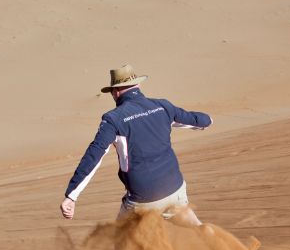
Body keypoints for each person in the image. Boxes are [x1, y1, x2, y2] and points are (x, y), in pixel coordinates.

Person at [60, 64, 213, 226]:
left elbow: (93, 157)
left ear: (115, 92)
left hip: (142, 198)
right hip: (174, 189)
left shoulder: (113, 119)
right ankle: (206, 233)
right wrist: (208, 120)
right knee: (194, 226)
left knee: (121, 239)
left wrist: (72, 195)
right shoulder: (162, 106)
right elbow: (202, 121)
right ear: (138, 85)